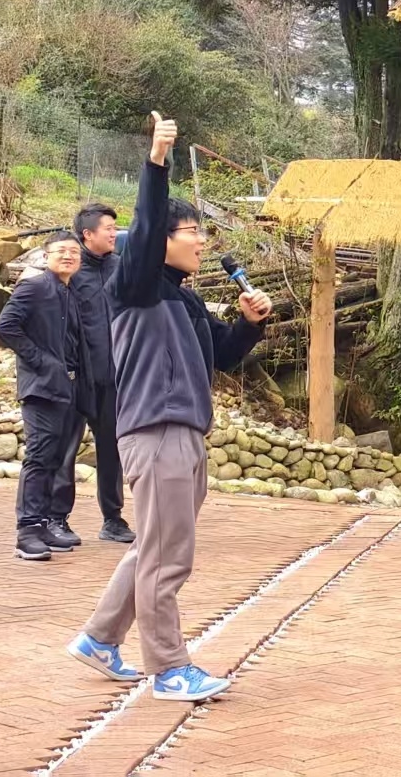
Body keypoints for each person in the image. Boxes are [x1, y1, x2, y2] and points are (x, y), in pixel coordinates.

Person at [68, 113, 271, 703]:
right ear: (161, 238)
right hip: (156, 431)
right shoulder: (132, 285)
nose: (201, 241)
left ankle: (99, 639)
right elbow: (146, 220)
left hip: (184, 432)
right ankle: (169, 668)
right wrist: (157, 160)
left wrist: (249, 325)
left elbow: (224, 357)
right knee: (167, 556)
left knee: (153, 547)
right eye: (191, 232)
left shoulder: (185, 300)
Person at [0, 231, 88, 563]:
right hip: (41, 387)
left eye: (74, 252)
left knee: (55, 458)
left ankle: (45, 523)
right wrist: (41, 362)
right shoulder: (34, 287)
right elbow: (6, 327)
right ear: (46, 256)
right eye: (61, 251)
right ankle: (27, 532)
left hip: (68, 387)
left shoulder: (70, 292)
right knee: (38, 457)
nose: (68, 256)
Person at [71, 203, 133, 544]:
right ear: (87, 234)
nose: (114, 233)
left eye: (114, 227)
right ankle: (55, 519)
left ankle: (113, 519)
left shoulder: (120, 268)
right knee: (63, 450)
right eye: (108, 227)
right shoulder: (70, 270)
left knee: (111, 450)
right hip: (77, 378)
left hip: (113, 378)